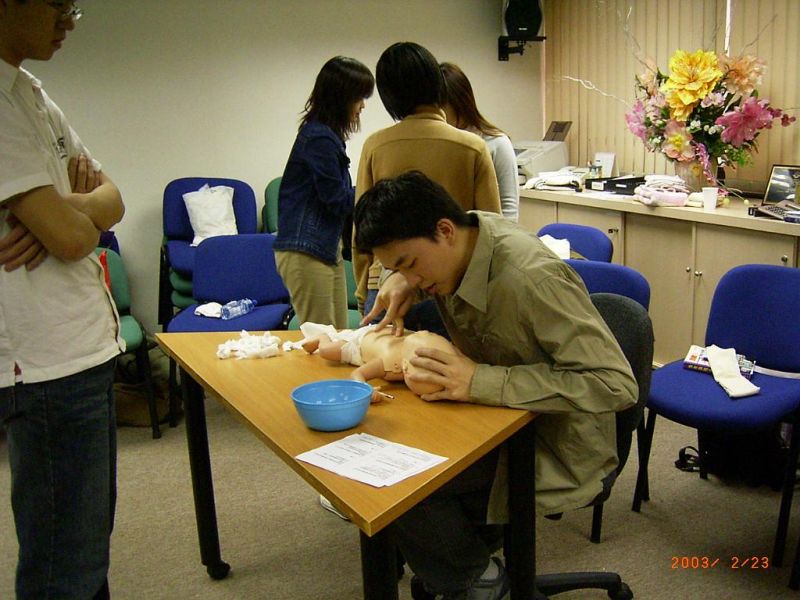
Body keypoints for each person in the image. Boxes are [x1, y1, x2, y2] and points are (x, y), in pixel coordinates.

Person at [353, 171, 637, 600]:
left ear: (444, 231)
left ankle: (481, 583)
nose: (411, 276)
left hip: (554, 439)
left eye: (409, 262)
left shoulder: (531, 278)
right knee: (380, 462)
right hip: (495, 419)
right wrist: (404, 277)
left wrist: (478, 380)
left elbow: (615, 384)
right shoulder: (464, 238)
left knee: (401, 489)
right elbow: (453, 255)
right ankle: (469, 570)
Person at [0, 2, 126, 599]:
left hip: (84, 349)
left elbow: (112, 199)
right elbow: (75, 239)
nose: (69, 20)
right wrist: (72, 219)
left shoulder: (30, 91)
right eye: (56, 3)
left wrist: (64, 208)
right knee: (63, 566)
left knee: (87, 547)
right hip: (47, 366)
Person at [353, 42, 501, 335]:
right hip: (455, 288)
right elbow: (492, 229)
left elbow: (362, 232)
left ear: (388, 97)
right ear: (437, 84)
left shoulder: (376, 146)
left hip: (387, 285)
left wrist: (363, 291)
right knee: (449, 362)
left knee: (384, 361)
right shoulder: (472, 147)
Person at [274, 56, 374, 328]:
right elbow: (337, 199)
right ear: (341, 97)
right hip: (306, 250)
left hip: (326, 249)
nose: (363, 105)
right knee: (321, 341)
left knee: (339, 338)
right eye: (359, 97)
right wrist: (372, 189)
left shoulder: (327, 137)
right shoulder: (319, 138)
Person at [440, 62, 519, 222]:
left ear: (459, 103)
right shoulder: (438, 144)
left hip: (486, 231)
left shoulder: (496, 143)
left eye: (441, 106)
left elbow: (509, 209)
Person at [299, 323, 454, 400]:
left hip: (386, 333)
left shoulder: (425, 345)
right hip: (362, 341)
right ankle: (322, 337)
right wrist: (366, 390)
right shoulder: (387, 364)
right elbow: (357, 374)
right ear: (404, 368)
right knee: (327, 351)